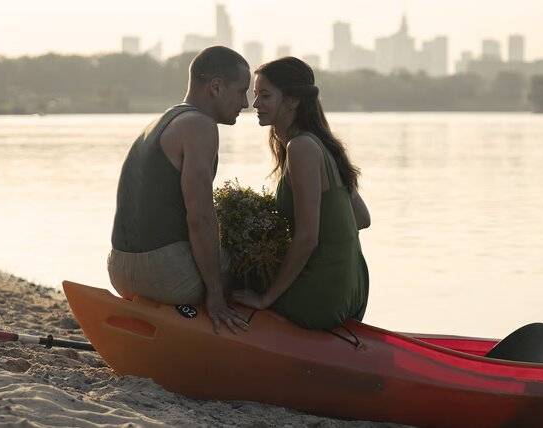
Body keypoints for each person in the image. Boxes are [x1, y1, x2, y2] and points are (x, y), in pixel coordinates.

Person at [108, 46, 250, 334]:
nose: (245, 103)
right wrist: (215, 294)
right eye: (241, 91)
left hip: (119, 268)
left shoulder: (161, 122)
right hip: (161, 274)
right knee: (250, 261)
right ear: (216, 87)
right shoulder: (200, 126)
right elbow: (200, 218)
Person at [233, 57, 371, 330]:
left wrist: (265, 299)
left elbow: (308, 238)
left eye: (265, 95)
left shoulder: (301, 148)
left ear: (293, 100)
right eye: (254, 95)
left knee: (232, 274)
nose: (255, 104)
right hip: (354, 288)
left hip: (323, 296)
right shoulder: (322, 144)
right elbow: (362, 218)